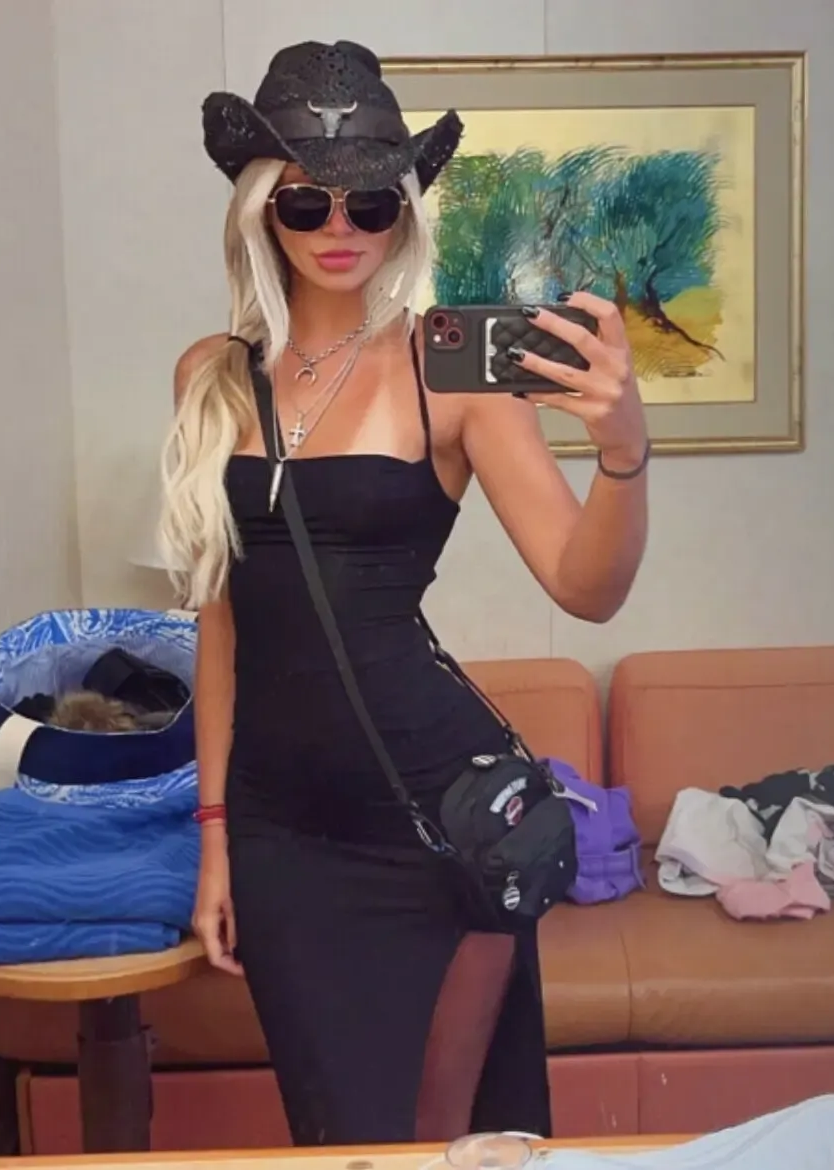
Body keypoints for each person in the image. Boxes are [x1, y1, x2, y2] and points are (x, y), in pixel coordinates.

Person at [156, 39, 650, 1147]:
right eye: (306, 202)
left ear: (404, 214)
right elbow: (219, 622)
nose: (340, 227)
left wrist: (624, 453)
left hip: (436, 823)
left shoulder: (452, 369)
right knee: (336, 1138)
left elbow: (588, 588)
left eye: (372, 201)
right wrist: (216, 837)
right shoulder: (208, 377)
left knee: (439, 1139)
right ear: (260, 210)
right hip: (281, 835)